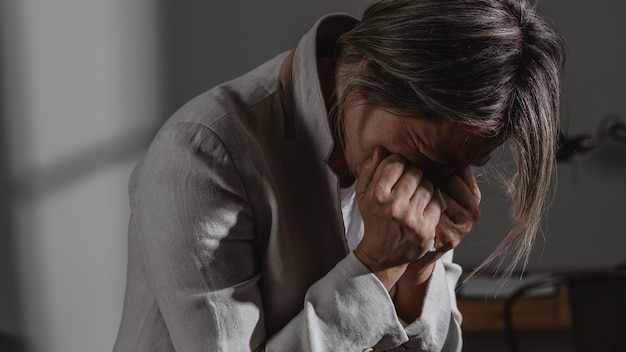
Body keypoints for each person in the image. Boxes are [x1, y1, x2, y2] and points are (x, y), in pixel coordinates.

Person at [114, 0, 564, 350]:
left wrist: (419, 268)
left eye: (461, 167)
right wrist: (377, 267)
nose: (432, 188)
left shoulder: (431, 159)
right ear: (374, 72)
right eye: (424, 157)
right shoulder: (204, 153)